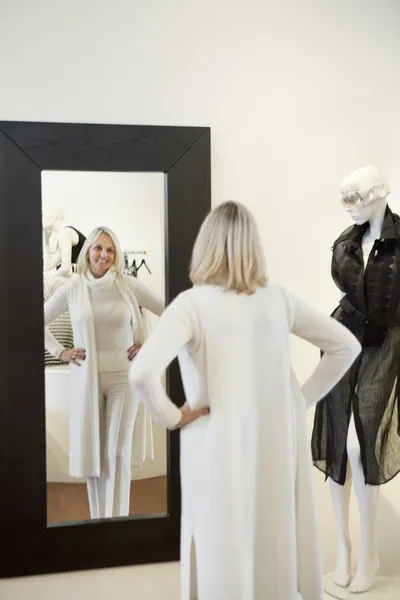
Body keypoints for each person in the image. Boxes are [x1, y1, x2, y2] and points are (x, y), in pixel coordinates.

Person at [129, 201, 361, 600]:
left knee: (221, 544)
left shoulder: (192, 304)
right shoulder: (278, 299)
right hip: (275, 443)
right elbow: (345, 346)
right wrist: (297, 401)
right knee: (272, 539)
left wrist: (173, 415)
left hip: (214, 444)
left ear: (206, 246)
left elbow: (141, 373)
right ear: (253, 246)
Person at [311, 165, 400, 593]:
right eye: (344, 200)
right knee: (336, 441)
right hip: (343, 338)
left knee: (361, 443)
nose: (350, 208)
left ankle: (369, 553)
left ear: (380, 193)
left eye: (356, 198)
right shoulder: (345, 242)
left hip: (386, 343)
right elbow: (347, 295)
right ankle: (343, 549)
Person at [44, 226, 164, 519]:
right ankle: (99, 519)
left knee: (117, 452)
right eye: (98, 248)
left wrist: (149, 346)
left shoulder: (128, 285)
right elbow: (36, 319)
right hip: (87, 381)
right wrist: (60, 351)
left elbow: (171, 312)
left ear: (116, 254)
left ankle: (118, 519)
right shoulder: (73, 288)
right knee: (93, 455)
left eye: (110, 250)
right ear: (88, 251)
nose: (104, 255)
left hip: (125, 379)